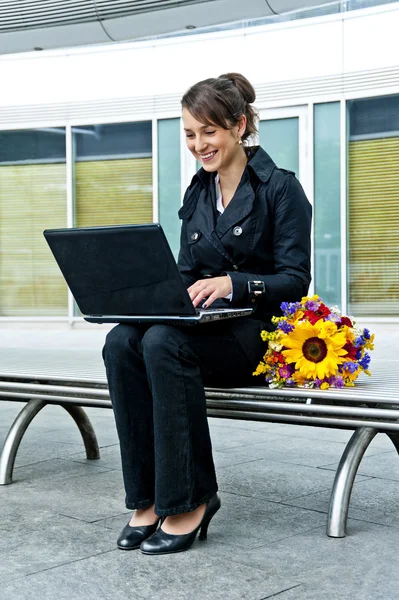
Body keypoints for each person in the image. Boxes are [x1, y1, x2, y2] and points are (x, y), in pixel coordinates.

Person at [102, 72, 312, 556]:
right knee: (121, 341)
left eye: (209, 131)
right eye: (191, 134)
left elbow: (295, 283)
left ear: (239, 126)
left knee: (162, 342)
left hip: (257, 334)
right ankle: (149, 499)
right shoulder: (197, 193)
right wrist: (150, 295)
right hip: (204, 329)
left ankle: (193, 499)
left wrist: (233, 283)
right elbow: (184, 272)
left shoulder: (280, 189)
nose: (199, 144)